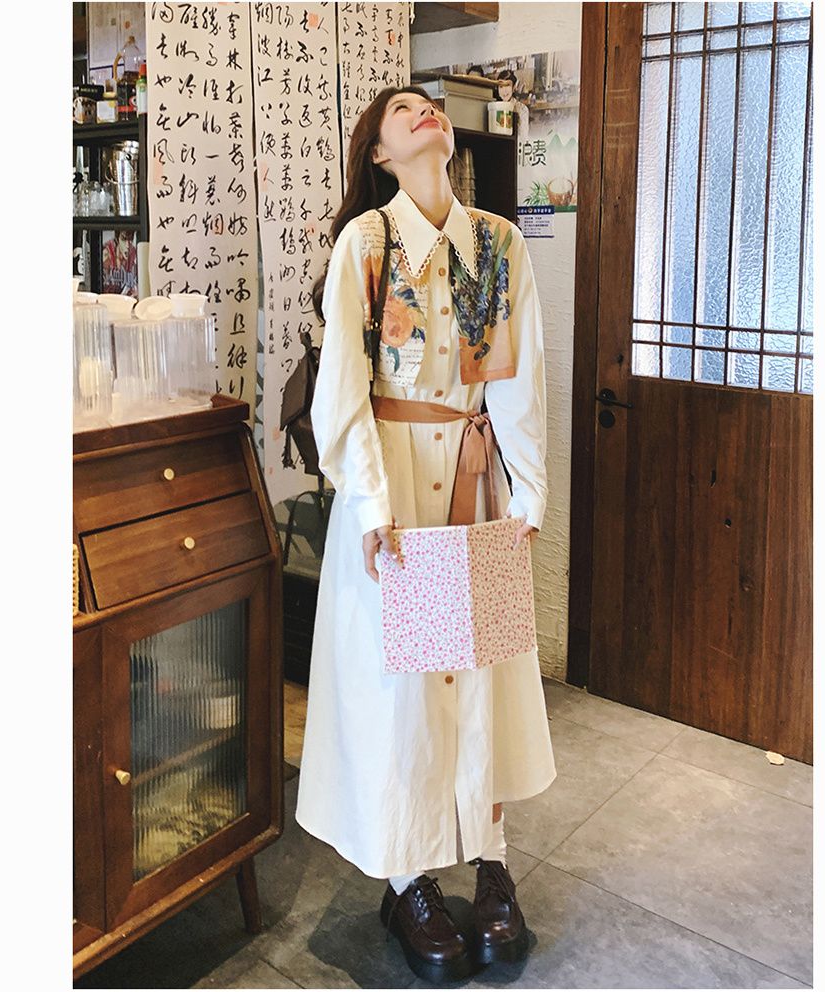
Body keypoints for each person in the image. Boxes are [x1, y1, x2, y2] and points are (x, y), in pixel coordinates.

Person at [297, 85, 556, 983]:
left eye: (430, 103)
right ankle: (408, 879)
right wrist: (373, 507)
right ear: (378, 151)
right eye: (403, 107)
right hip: (398, 494)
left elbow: (518, 378)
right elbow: (343, 392)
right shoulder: (367, 246)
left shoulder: (498, 244)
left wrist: (528, 495)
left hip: (476, 486)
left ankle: (491, 861)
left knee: (481, 678)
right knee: (405, 695)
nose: (425, 109)